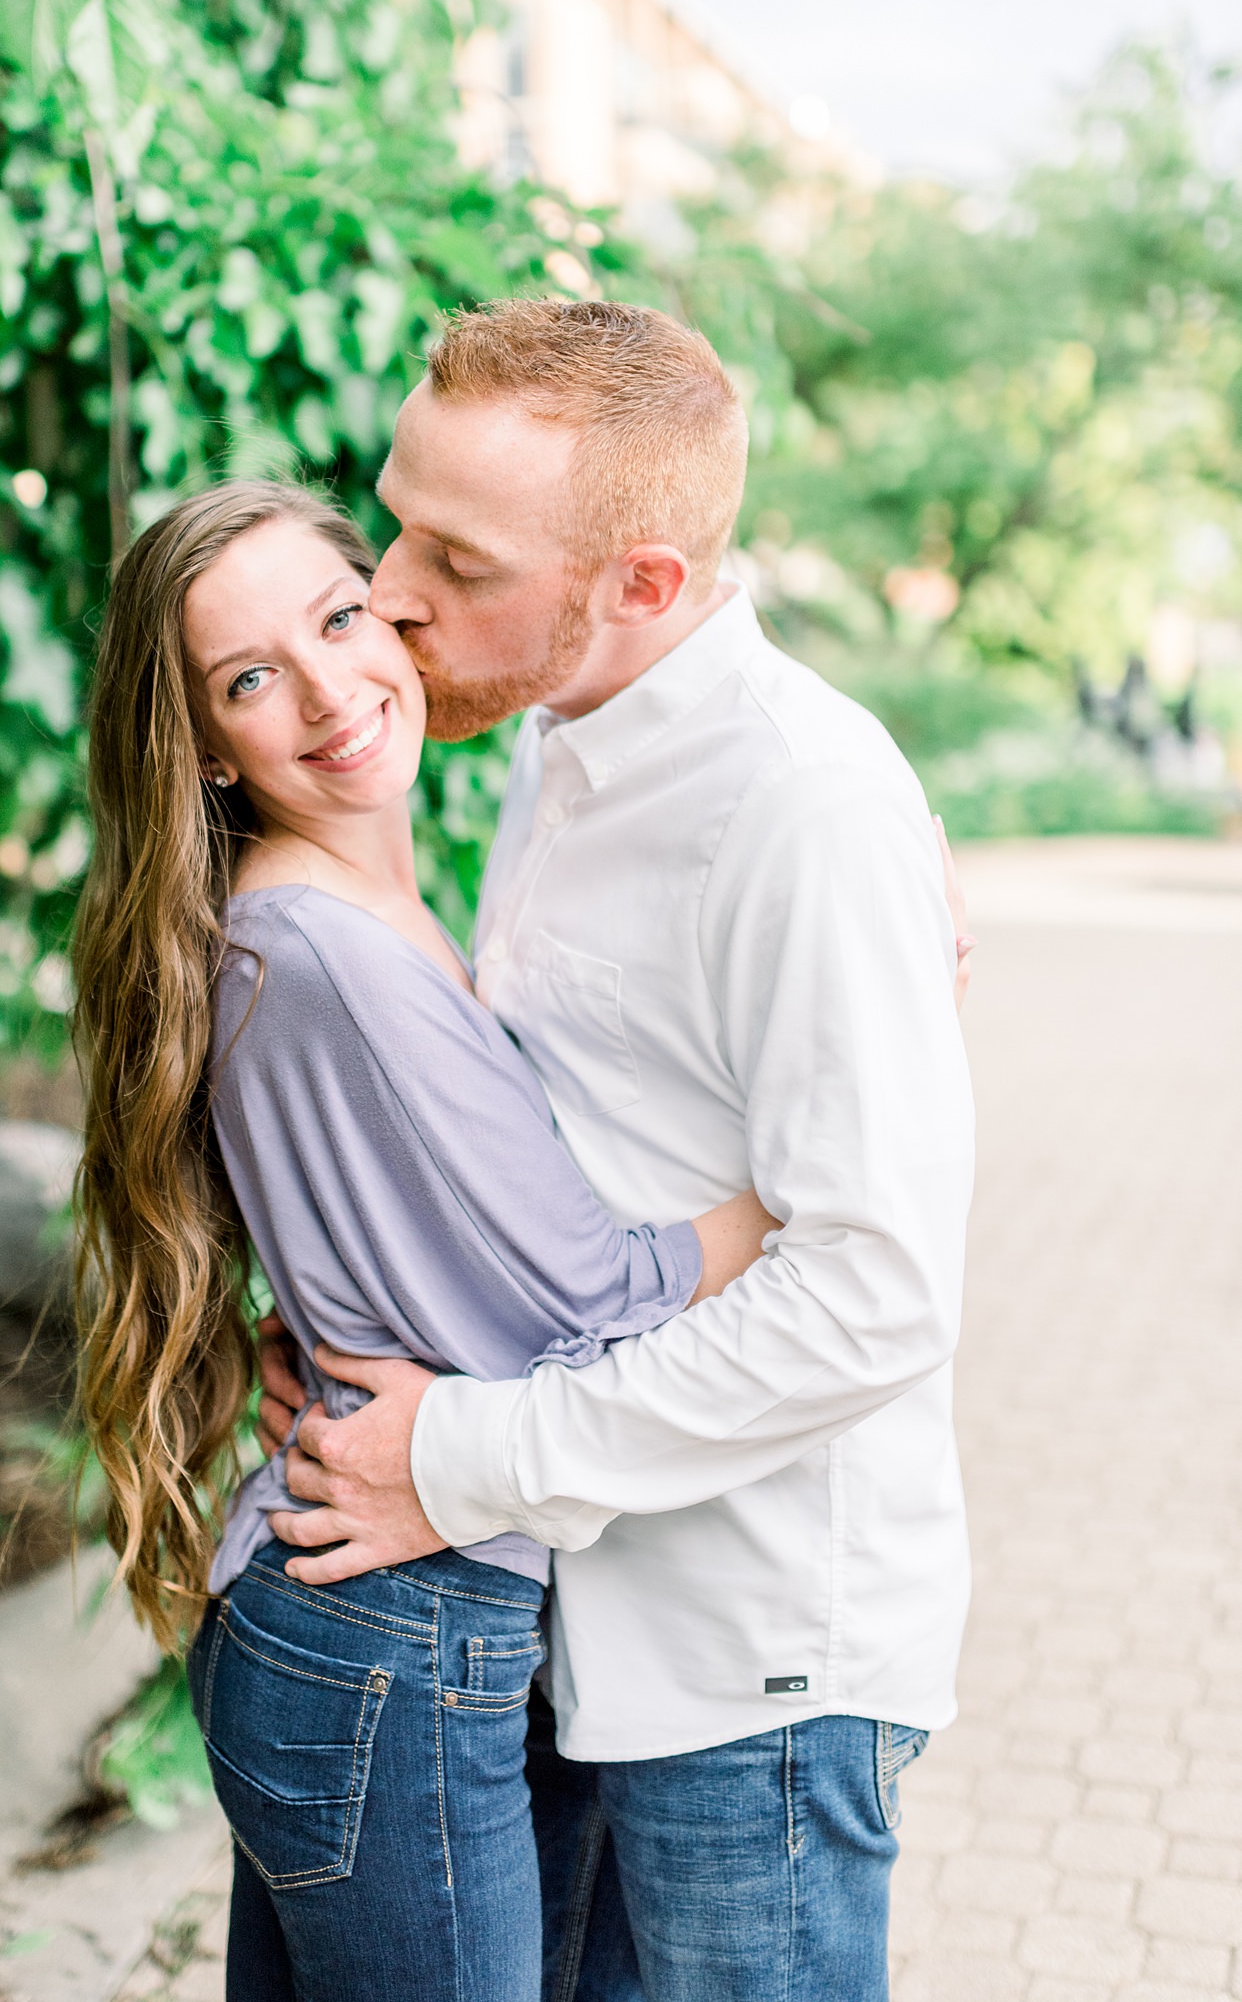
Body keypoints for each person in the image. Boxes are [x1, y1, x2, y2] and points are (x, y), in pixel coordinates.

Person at [254, 298, 978, 2002]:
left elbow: (874, 1291)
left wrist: (460, 1459)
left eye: (459, 556)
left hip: (753, 1664)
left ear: (641, 583)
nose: (395, 594)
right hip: (567, 1601)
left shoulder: (804, 807)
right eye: (393, 519)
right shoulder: (545, 728)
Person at [69, 478, 784, 2002]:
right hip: (388, 1640)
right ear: (202, 743)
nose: (328, 691)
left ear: (388, 609)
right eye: (250, 678)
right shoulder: (320, 948)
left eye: (337, 620)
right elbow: (587, 1296)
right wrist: (788, 1181)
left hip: (370, 1628)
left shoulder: (353, 915)